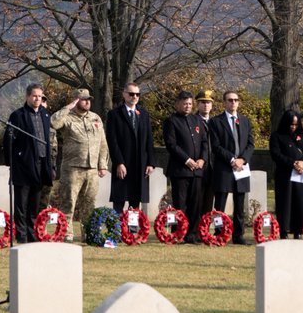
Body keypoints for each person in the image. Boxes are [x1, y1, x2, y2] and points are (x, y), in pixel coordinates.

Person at [50, 88, 109, 241]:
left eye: (89, 99)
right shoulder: (67, 117)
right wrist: (67, 107)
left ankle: (88, 233)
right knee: (68, 202)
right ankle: (66, 233)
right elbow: (53, 122)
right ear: (76, 100)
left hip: (92, 169)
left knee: (89, 203)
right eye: (83, 99)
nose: (87, 102)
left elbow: (103, 142)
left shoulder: (95, 118)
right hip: (72, 168)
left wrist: (102, 164)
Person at [4, 84, 55, 243]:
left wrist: (49, 164)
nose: (37, 99)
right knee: (21, 203)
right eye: (34, 96)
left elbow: (48, 140)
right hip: (23, 165)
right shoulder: (18, 115)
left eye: (40, 96)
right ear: (27, 96)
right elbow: (8, 141)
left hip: (41, 163)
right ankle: (21, 235)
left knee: (34, 203)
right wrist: (12, 162)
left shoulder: (45, 114)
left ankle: (32, 234)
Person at [207, 90, 253, 244]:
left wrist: (243, 159)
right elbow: (215, 145)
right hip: (224, 167)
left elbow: (250, 144)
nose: (233, 102)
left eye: (236, 100)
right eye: (230, 100)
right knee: (220, 203)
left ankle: (238, 235)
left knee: (239, 205)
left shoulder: (245, 121)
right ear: (224, 103)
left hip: (241, 168)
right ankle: (219, 233)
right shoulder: (215, 122)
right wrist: (232, 159)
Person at [162, 91, 208, 243]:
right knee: (180, 204)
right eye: (185, 103)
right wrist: (186, 160)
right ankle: (179, 233)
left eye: (189, 103)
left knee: (195, 204)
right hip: (180, 170)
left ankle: (192, 234)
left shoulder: (197, 120)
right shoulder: (171, 121)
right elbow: (171, 144)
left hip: (197, 171)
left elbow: (204, 142)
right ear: (178, 104)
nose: (188, 106)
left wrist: (202, 159)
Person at [106, 82, 154, 212]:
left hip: (140, 164)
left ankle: (133, 225)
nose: (135, 97)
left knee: (135, 202)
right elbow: (112, 141)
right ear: (124, 94)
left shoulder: (143, 114)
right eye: (131, 94)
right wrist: (119, 162)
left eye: (137, 94)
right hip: (123, 162)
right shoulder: (114, 114)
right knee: (119, 200)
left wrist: (150, 163)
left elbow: (149, 139)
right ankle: (117, 225)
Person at [268, 110, 303, 238]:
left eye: (296, 125)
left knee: (300, 203)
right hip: (285, 175)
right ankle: (284, 230)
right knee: (285, 203)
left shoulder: (302, 135)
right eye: (291, 124)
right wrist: (292, 163)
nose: (293, 127)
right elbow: (276, 154)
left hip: (300, 175)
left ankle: (298, 230)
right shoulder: (277, 136)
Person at [194, 89, 217, 214]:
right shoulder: (192, 120)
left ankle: (205, 225)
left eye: (208, 102)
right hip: (198, 166)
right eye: (202, 102)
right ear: (197, 104)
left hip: (213, 168)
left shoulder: (215, 122)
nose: (206, 105)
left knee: (208, 203)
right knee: (196, 202)